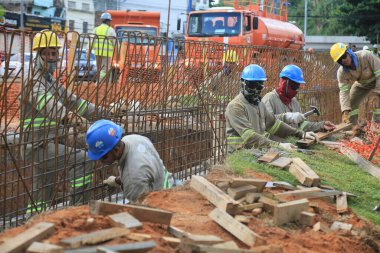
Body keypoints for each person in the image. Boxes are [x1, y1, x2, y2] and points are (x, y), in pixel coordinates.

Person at [21, 30, 101, 214]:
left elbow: (74, 102)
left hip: (50, 143)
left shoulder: (50, 81)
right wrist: (72, 119)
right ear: (38, 55)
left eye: (54, 53)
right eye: (46, 53)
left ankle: (32, 223)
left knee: (41, 195)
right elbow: (49, 105)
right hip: (36, 145)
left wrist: (106, 112)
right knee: (84, 160)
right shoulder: (33, 81)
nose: (51, 57)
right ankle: (77, 211)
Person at [225, 64, 317, 153]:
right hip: (239, 155)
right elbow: (249, 136)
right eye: (252, 85)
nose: (256, 90)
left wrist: (300, 134)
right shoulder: (236, 106)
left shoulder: (259, 104)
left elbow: (274, 125)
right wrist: (278, 145)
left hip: (256, 153)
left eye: (259, 86)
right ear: (243, 83)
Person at [86, 119, 173, 202]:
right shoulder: (133, 139)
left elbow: (144, 210)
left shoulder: (132, 180)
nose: (101, 161)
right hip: (171, 184)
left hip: (165, 201)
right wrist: (116, 181)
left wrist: (127, 180)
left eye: (103, 157)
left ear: (116, 150)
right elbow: (145, 172)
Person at [262, 65, 336, 133]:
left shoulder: (294, 102)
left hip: (293, 144)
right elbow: (266, 124)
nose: (296, 90)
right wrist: (287, 117)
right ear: (284, 83)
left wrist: (321, 125)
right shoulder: (269, 99)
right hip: (276, 145)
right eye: (294, 86)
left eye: (298, 86)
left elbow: (302, 125)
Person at [330, 42, 380, 133]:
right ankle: (353, 128)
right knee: (351, 100)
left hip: (378, 81)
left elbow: (379, 75)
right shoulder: (341, 72)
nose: (343, 60)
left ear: (348, 51)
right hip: (363, 84)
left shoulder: (366, 56)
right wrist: (345, 110)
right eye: (340, 60)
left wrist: (376, 92)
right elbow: (344, 92)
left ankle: (377, 126)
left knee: (376, 101)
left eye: (344, 56)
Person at [93, 12, 116, 80]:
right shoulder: (110, 30)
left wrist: (88, 51)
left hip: (97, 53)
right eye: (110, 21)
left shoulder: (95, 29)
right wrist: (118, 52)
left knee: (99, 68)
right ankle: (100, 82)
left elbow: (91, 41)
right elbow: (115, 42)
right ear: (108, 21)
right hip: (107, 53)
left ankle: (99, 82)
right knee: (105, 69)